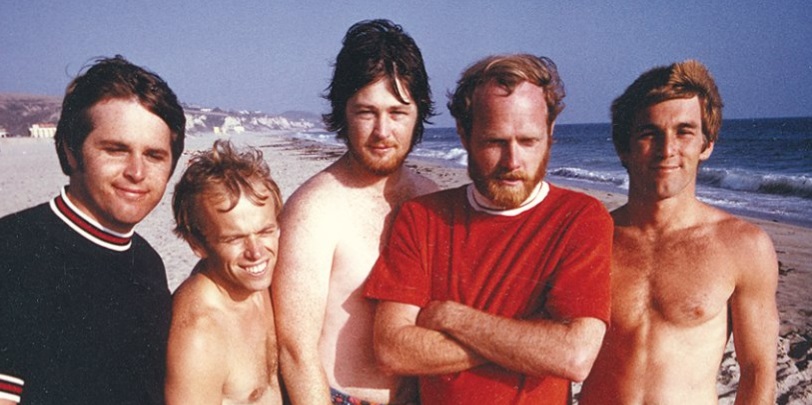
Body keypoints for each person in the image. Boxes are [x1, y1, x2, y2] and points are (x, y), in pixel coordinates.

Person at [363, 54, 613, 404]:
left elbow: (574, 356)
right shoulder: (422, 217)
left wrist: (453, 317)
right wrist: (531, 341)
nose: (513, 162)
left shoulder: (581, 218)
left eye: (528, 142)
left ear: (551, 133)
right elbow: (393, 350)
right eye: (495, 142)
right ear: (464, 135)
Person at [579, 60, 778, 404]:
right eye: (648, 133)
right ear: (623, 148)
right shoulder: (589, 241)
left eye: (684, 131)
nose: (667, 148)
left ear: (706, 144)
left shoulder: (743, 246)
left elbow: (758, 371)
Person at [0, 56, 185, 404]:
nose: (136, 172)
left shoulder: (148, 263)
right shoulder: (13, 251)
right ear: (71, 151)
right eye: (116, 150)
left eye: (154, 155)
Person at [272, 19, 438, 404]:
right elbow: (295, 352)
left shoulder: (429, 198)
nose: (383, 130)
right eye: (367, 112)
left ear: (419, 114)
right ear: (343, 112)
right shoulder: (314, 210)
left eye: (398, 112)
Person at [166, 139, 284, 404]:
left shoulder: (258, 283)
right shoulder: (200, 336)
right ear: (197, 244)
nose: (256, 252)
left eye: (265, 231)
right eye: (234, 239)